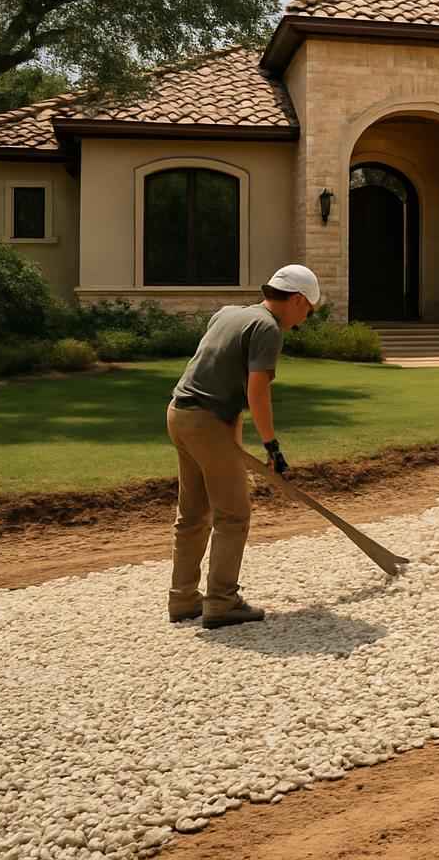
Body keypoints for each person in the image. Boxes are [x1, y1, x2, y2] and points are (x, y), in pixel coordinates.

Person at [164, 264, 319, 628]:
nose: (303, 321)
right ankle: (221, 602)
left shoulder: (229, 313)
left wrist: (233, 437)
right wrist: (273, 447)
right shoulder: (268, 328)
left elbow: (216, 373)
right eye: (307, 312)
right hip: (206, 422)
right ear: (297, 300)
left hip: (179, 413)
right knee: (233, 515)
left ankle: (183, 599)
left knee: (192, 514)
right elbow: (257, 391)